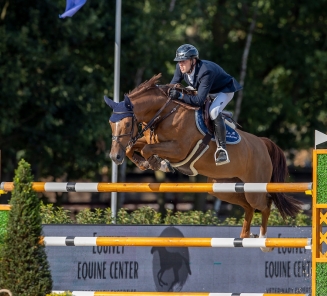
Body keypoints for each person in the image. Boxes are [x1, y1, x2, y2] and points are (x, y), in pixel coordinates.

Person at [169, 44, 242, 165]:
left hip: (223, 91)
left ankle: (222, 149)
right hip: (204, 90)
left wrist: (180, 96)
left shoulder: (205, 71)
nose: (180, 64)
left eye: (184, 61)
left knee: (213, 111)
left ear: (193, 60)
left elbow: (198, 101)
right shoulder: (180, 67)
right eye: (179, 61)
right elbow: (172, 86)